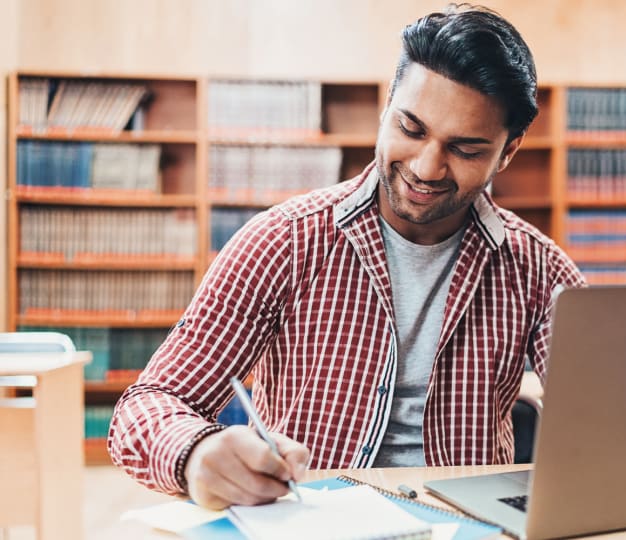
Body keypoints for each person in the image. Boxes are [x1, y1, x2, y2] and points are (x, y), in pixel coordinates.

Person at [108, 4, 585, 510]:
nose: (426, 167)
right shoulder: (283, 240)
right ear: (387, 108)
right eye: (411, 128)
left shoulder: (540, 270)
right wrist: (196, 452)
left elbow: (613, 421)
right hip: (309, 521)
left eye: (465, 150)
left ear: (507, 153)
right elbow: (149, 405)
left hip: (472, 525)